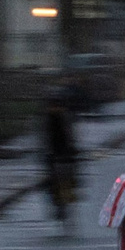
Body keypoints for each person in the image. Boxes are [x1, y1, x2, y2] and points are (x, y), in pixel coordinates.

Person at [41, 96, 80, 232]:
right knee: (53, 182)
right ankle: (59, 203)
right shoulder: (54, 119)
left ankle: (62, 202)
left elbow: (70, 137)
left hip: (62, 156)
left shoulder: (59, 119)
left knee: (62, 180)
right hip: (57, 156)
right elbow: (45, 140)